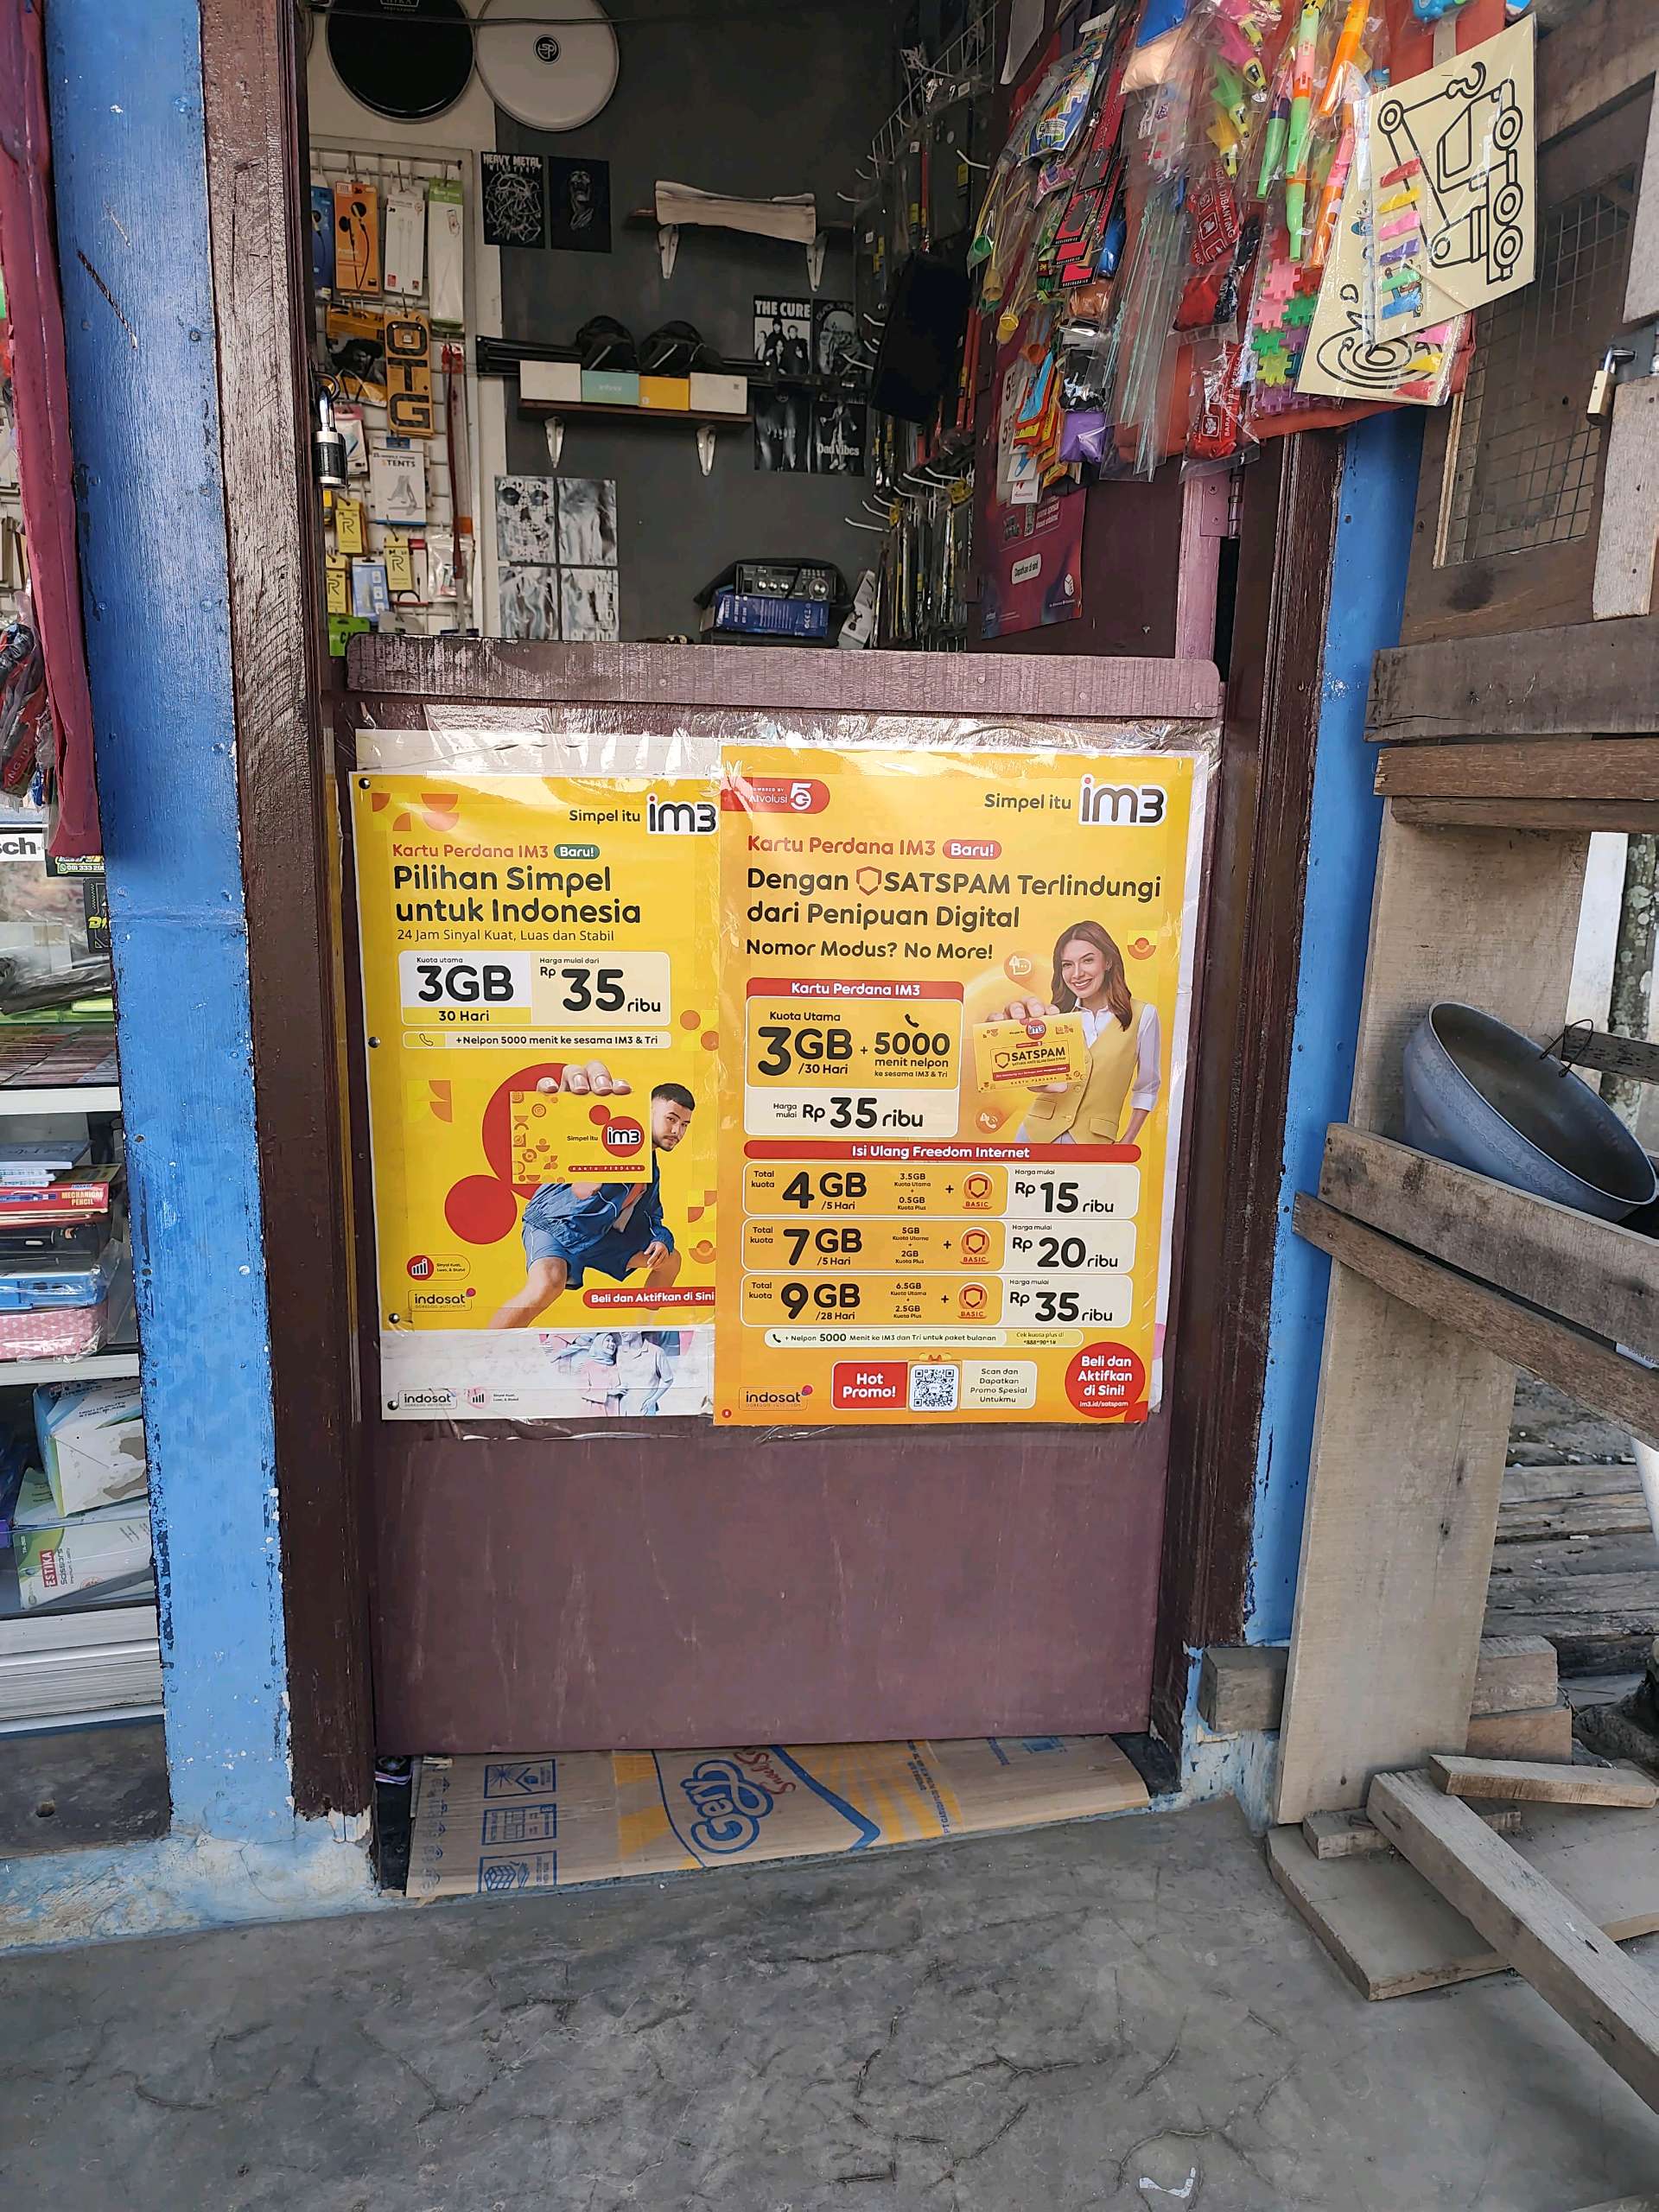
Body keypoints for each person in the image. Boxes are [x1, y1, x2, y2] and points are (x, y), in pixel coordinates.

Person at [487, 1076, 696, 1328]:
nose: (677, 1131)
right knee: (547, 1285)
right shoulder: (601, 1135)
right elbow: (562, 1140)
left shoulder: (650, 1169)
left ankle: (642, 1333)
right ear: (648, 1111)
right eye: (671, 1119)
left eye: (685, 1124)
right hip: (556, 1225)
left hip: (598, 1237)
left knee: (670, 1260)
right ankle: (486, 1349)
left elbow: (651, 1214)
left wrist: (661, 1239)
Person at [1003, 921, 1161, 1146]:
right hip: (1034, 1135)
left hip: (1094, 1141)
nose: (1077, 974)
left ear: (1108, 962)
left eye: (1088, 960)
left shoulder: (1143, 1015)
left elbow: (1147, 1087)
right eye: (1067, 965)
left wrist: (1127, 1141)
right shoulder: (1055, 1015)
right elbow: (1037, 1079)